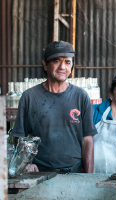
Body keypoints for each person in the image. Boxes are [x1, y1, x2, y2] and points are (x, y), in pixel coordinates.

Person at [11, 41, 97, 173]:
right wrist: (26, 163)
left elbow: (87, 140)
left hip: (74, 173)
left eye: (67, 62)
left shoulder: (81, 96)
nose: (62, 67)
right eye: (56, 61)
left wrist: (89, 177)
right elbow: (19, 137)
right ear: (45, 64)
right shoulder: (29, 97)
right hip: (40, 175)